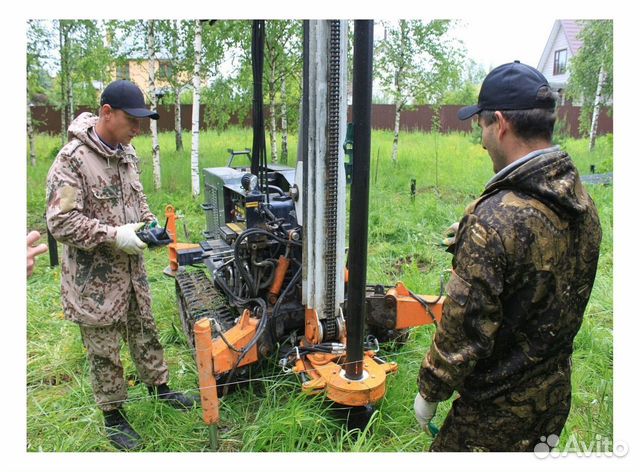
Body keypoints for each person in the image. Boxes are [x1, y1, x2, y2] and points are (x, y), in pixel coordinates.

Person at [414, 61, 602, 451]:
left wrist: (429, 392)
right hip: (552, 399)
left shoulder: (495, 222)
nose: (482, 140)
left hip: (492, 416)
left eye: (481, 126)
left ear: (500, 123)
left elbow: (463, 328)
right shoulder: (584, 203)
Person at [46, 80, 195, 451]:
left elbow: (138, 201)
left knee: (145, 330)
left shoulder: (128, 155)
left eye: (142, 121)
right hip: (93, 282)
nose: (138, 129)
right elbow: (60, 222)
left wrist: (148, 228)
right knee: (104, 349)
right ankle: (113, 415)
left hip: (132, 273)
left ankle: (160, 389)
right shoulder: (72, 160)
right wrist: (115, 236)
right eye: (132, 120)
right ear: (107, 113)